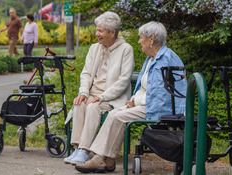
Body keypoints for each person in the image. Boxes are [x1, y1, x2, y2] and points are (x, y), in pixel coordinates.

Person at [75, 21, 187, 173]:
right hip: (148, 104)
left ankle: (101, 158)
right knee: (115, 113)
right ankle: (106, 158)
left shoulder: (166, 60)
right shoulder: (152, 59)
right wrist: (135, 99)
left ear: (152, 38)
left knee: (118, 116)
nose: (139, 41)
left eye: (141, 38)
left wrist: (137, 101)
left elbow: (160, 96)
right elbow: (144, 87)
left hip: (161, 109)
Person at [63, 11, 134, 165]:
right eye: (97, 30)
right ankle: (77, 148)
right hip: (93, 93)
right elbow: (86, 73)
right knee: (79, 103)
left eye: (100, 31)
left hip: (112, 97)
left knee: (93, 107)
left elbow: (123, 80)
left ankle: (85, 150)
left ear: (112, 32)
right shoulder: (94, 48)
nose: (97, 34)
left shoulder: (126, 49)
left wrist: (102, 97)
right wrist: (83, 92)